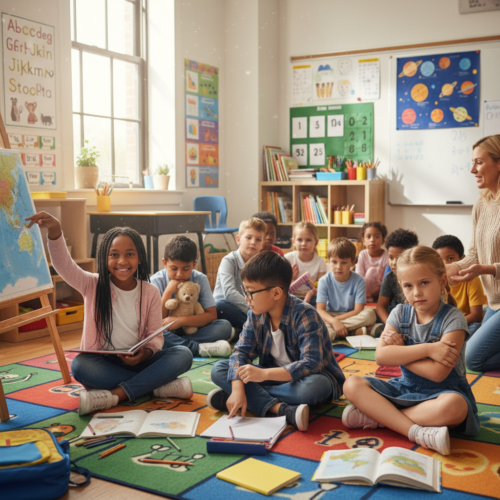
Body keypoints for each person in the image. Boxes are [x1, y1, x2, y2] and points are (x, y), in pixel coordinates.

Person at [26, 212, 193, 416]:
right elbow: (64, 266)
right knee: (80, 366)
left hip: (140, 361)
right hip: (104, 363)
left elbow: (156, 336)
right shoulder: (92, 284)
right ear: (104, 257)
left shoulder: (150, 291)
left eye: (129, 254)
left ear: (140, 257)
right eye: (114, 254)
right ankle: (156, 386)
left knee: (183, 354)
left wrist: (146, 354)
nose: (122, 261)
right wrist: (55, 231)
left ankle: (117, 394)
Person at [342, 246, 480, 456]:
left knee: (455, 407)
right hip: (405, 389)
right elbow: (381, 357)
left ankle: (380, 416)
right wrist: (428, 349)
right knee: (351, 384)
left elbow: (437, 373)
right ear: (401, 286)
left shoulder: (454, 318)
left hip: (442, 394)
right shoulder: (399, 313)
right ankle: (414, 431)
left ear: (442, 281)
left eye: (424, 283)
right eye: (408, 286)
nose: (417, 292)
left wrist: (400, 351)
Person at [207, 252, 345, 431]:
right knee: (220, 368)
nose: (246, 298)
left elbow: (311, 364)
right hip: (275, 379)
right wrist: (238, 388)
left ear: (276, 293)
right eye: (244, 290)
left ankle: (248, 399)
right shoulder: (255, 314)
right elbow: (240, 352)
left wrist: (262, 376)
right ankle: (280, 409)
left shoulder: (305, 314)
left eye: (250, 292)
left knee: (312, 389)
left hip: (307, 379)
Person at [446, 135, 500, 372]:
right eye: (472, 162)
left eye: (479, 162)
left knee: (472, 360)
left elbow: (482, 265)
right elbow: (474, 255)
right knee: (463, 350)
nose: (472, 169)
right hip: (496, 303)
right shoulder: (481, 204)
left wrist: (486, 269)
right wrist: (447, 269)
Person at [151, 236, 233, 359]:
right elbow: (158, 321)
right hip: (168, 331)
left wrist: (181, 321)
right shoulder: (155, 281)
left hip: (193, 329)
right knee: (152, 333)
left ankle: (176, 345)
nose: (179, 274)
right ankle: (199, 348)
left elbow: (211, 315)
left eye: (185, 269)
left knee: (224, 326)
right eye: (174, 268)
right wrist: (168, 292)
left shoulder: (200, 279)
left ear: (194, 264)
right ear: (164, 263)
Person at [317, 237, 376, 339]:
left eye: (343, 262)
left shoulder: (359, 281)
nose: (338, 267)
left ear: (353, 263)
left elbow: (358, 310)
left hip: (351, 315)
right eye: (334, 262)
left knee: (370, 314)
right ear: (329, 261)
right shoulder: (324, 280)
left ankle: (335, 331)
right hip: (330, 315)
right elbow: (320, 310)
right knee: (317, 318)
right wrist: (333, 321)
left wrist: (337, 321)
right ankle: (352, 331)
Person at [213, 217, 266, 330]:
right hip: (227, 308)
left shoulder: (260, 264)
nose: (253, 242)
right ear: (238, 239)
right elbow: (229, 293)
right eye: (248, 237)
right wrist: (253, 310)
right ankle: (258, 328)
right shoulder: (229, 260)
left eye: (258, 239)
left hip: (247, 311)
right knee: (220, 305)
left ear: (262, 244)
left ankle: (246, 330)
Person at [433, 235, 486, 336]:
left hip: (468, 323)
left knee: (476, 328)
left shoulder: (472, 280)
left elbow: (476, 315)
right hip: (444, 325)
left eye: (450, 258)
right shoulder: (436, 281)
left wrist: (452, 324)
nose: (445, 264)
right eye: (440, 260)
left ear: (463, 259)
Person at [373, 228, 419, 337]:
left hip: (414, 319)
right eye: (391, 257)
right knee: (370, 314)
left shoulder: (419, 277)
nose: (393, 263)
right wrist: (391, 326)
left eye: (399, 258)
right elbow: (380, 307)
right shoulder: (390, 278)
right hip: (393, 320)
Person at [284, 222, 327, 307]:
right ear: (293, 242)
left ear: (316, 242)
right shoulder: (288, 258)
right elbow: (281, 284)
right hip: (291, 296)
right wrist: (292, 279)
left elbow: (322, 287)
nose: (304, 243)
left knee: (323, 297)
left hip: (313, 298)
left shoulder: (320, 261)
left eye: (308, 240)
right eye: (300, 240)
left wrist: (313, 290)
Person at [355, 222, 389, 302]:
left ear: (383, 240)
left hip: (381, 293)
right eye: (368, 237)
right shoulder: (362, 254)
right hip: (363, 291)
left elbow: (387, 281)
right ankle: (365, 297)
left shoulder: (387, 257)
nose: (372, 240)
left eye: (376, 237)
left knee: (372, 271)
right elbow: (358, 277)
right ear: (363, 240)